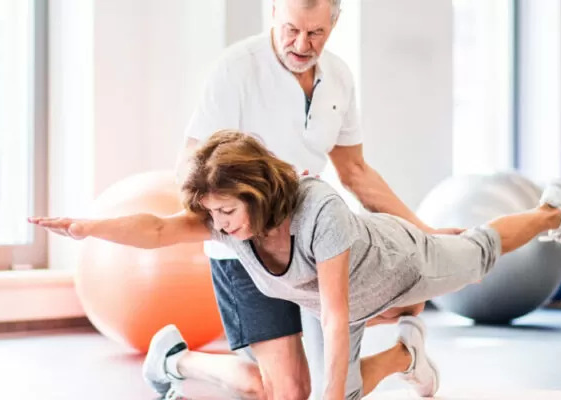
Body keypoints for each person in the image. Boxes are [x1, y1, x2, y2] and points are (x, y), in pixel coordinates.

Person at [30, 130, 561, 400]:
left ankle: (553, 210)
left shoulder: (317, 210)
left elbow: (335, 313)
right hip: (332, 303)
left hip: (402, 264)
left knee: (479, 254)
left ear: (256, 193)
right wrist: (87, 228)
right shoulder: (227, 222)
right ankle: (407, 355)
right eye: (212, 213)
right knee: (339, 392)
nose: (218, 224)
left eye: (227, 211)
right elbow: (157, 230)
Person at [139, 0, 454, 398]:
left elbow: (356, 172)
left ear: (334, 23)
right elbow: (188, 167)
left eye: (315, 33)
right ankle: (175, 360)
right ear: (274, 11)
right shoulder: (236, 69)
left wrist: (425, 232)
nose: (302, 44)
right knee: (289, 392)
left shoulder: (339, 77)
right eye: (291, 30)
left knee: (407, 298)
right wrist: (240, 205)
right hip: (247, 256)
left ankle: (405, 355)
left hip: (307, 244)